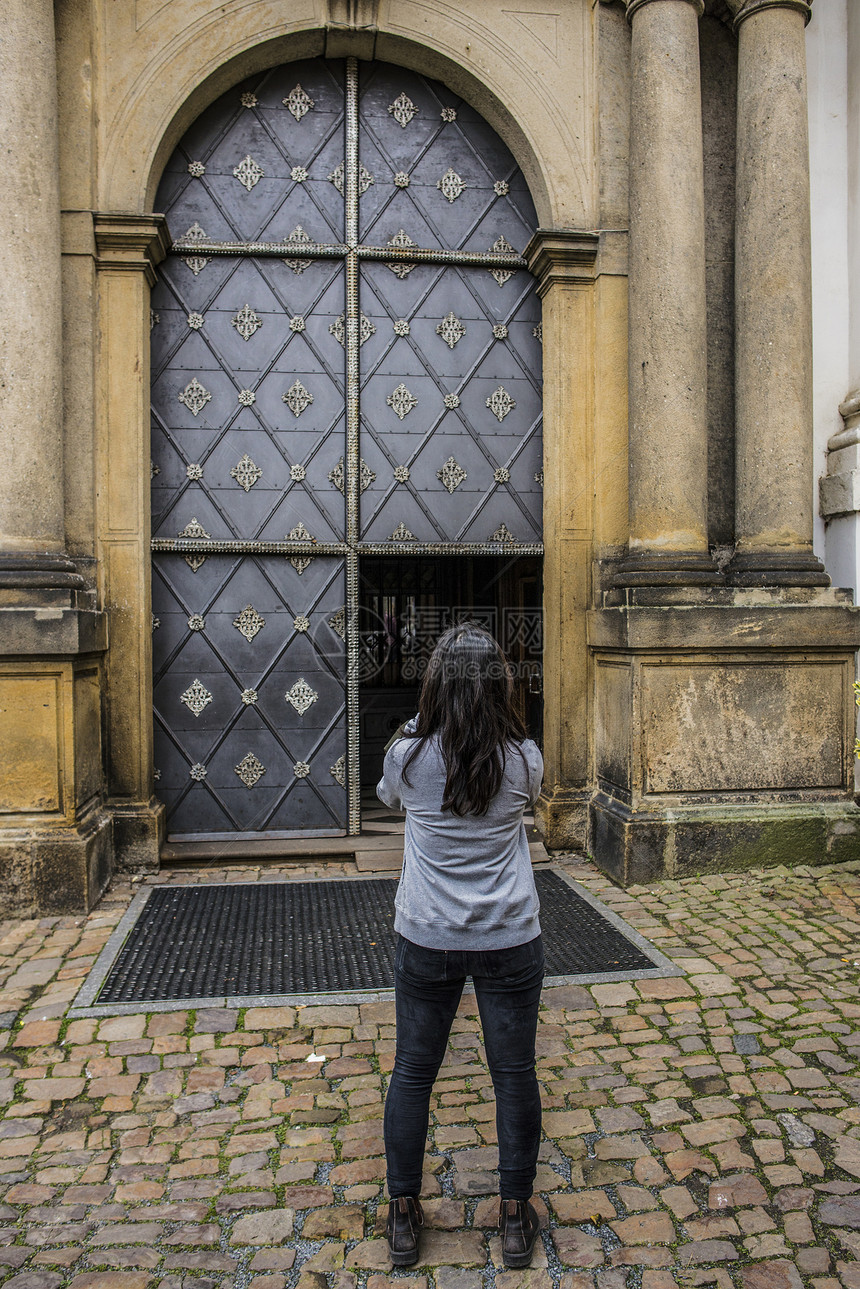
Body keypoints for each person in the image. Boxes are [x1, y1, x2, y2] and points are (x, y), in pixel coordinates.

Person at [377, 622, 545, 1270]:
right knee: (514, 1074)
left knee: (413, 1073)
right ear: (498, 684)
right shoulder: (522, 757)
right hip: (508, 933)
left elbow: (391, 799)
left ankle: (402, 1214)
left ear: (437, 683)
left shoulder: (410, 757)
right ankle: (511, 1215)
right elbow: (525, 797)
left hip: (427, 933)